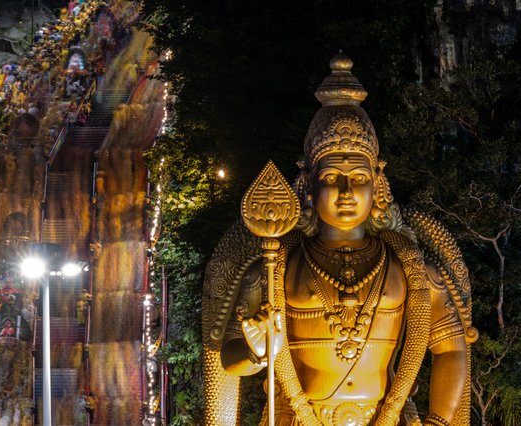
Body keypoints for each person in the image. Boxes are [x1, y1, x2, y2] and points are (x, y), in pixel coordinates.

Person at [203, 53, 477, 425]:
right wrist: (256, 351)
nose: (346, 191)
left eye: (359, 179)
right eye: (332, 178)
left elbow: (450, 348)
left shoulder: (410, 268)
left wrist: (439, 421)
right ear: (309, 183)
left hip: (387, 417)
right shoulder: (274, 270)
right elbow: (228, 359)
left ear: (377, 182)